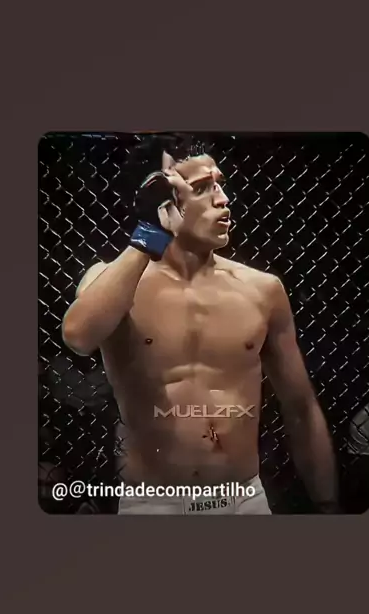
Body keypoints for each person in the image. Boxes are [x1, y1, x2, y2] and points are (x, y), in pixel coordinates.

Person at [61, 149, 338, 514]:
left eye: (220, 185)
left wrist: (327, 504)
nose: (223, 200)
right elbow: (78, 338)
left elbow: (301, 407)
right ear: (162, 198)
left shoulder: (262, 290)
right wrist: (148, 237)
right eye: (203, 188)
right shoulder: (112, 282)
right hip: (153, 503)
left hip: (243, 500)